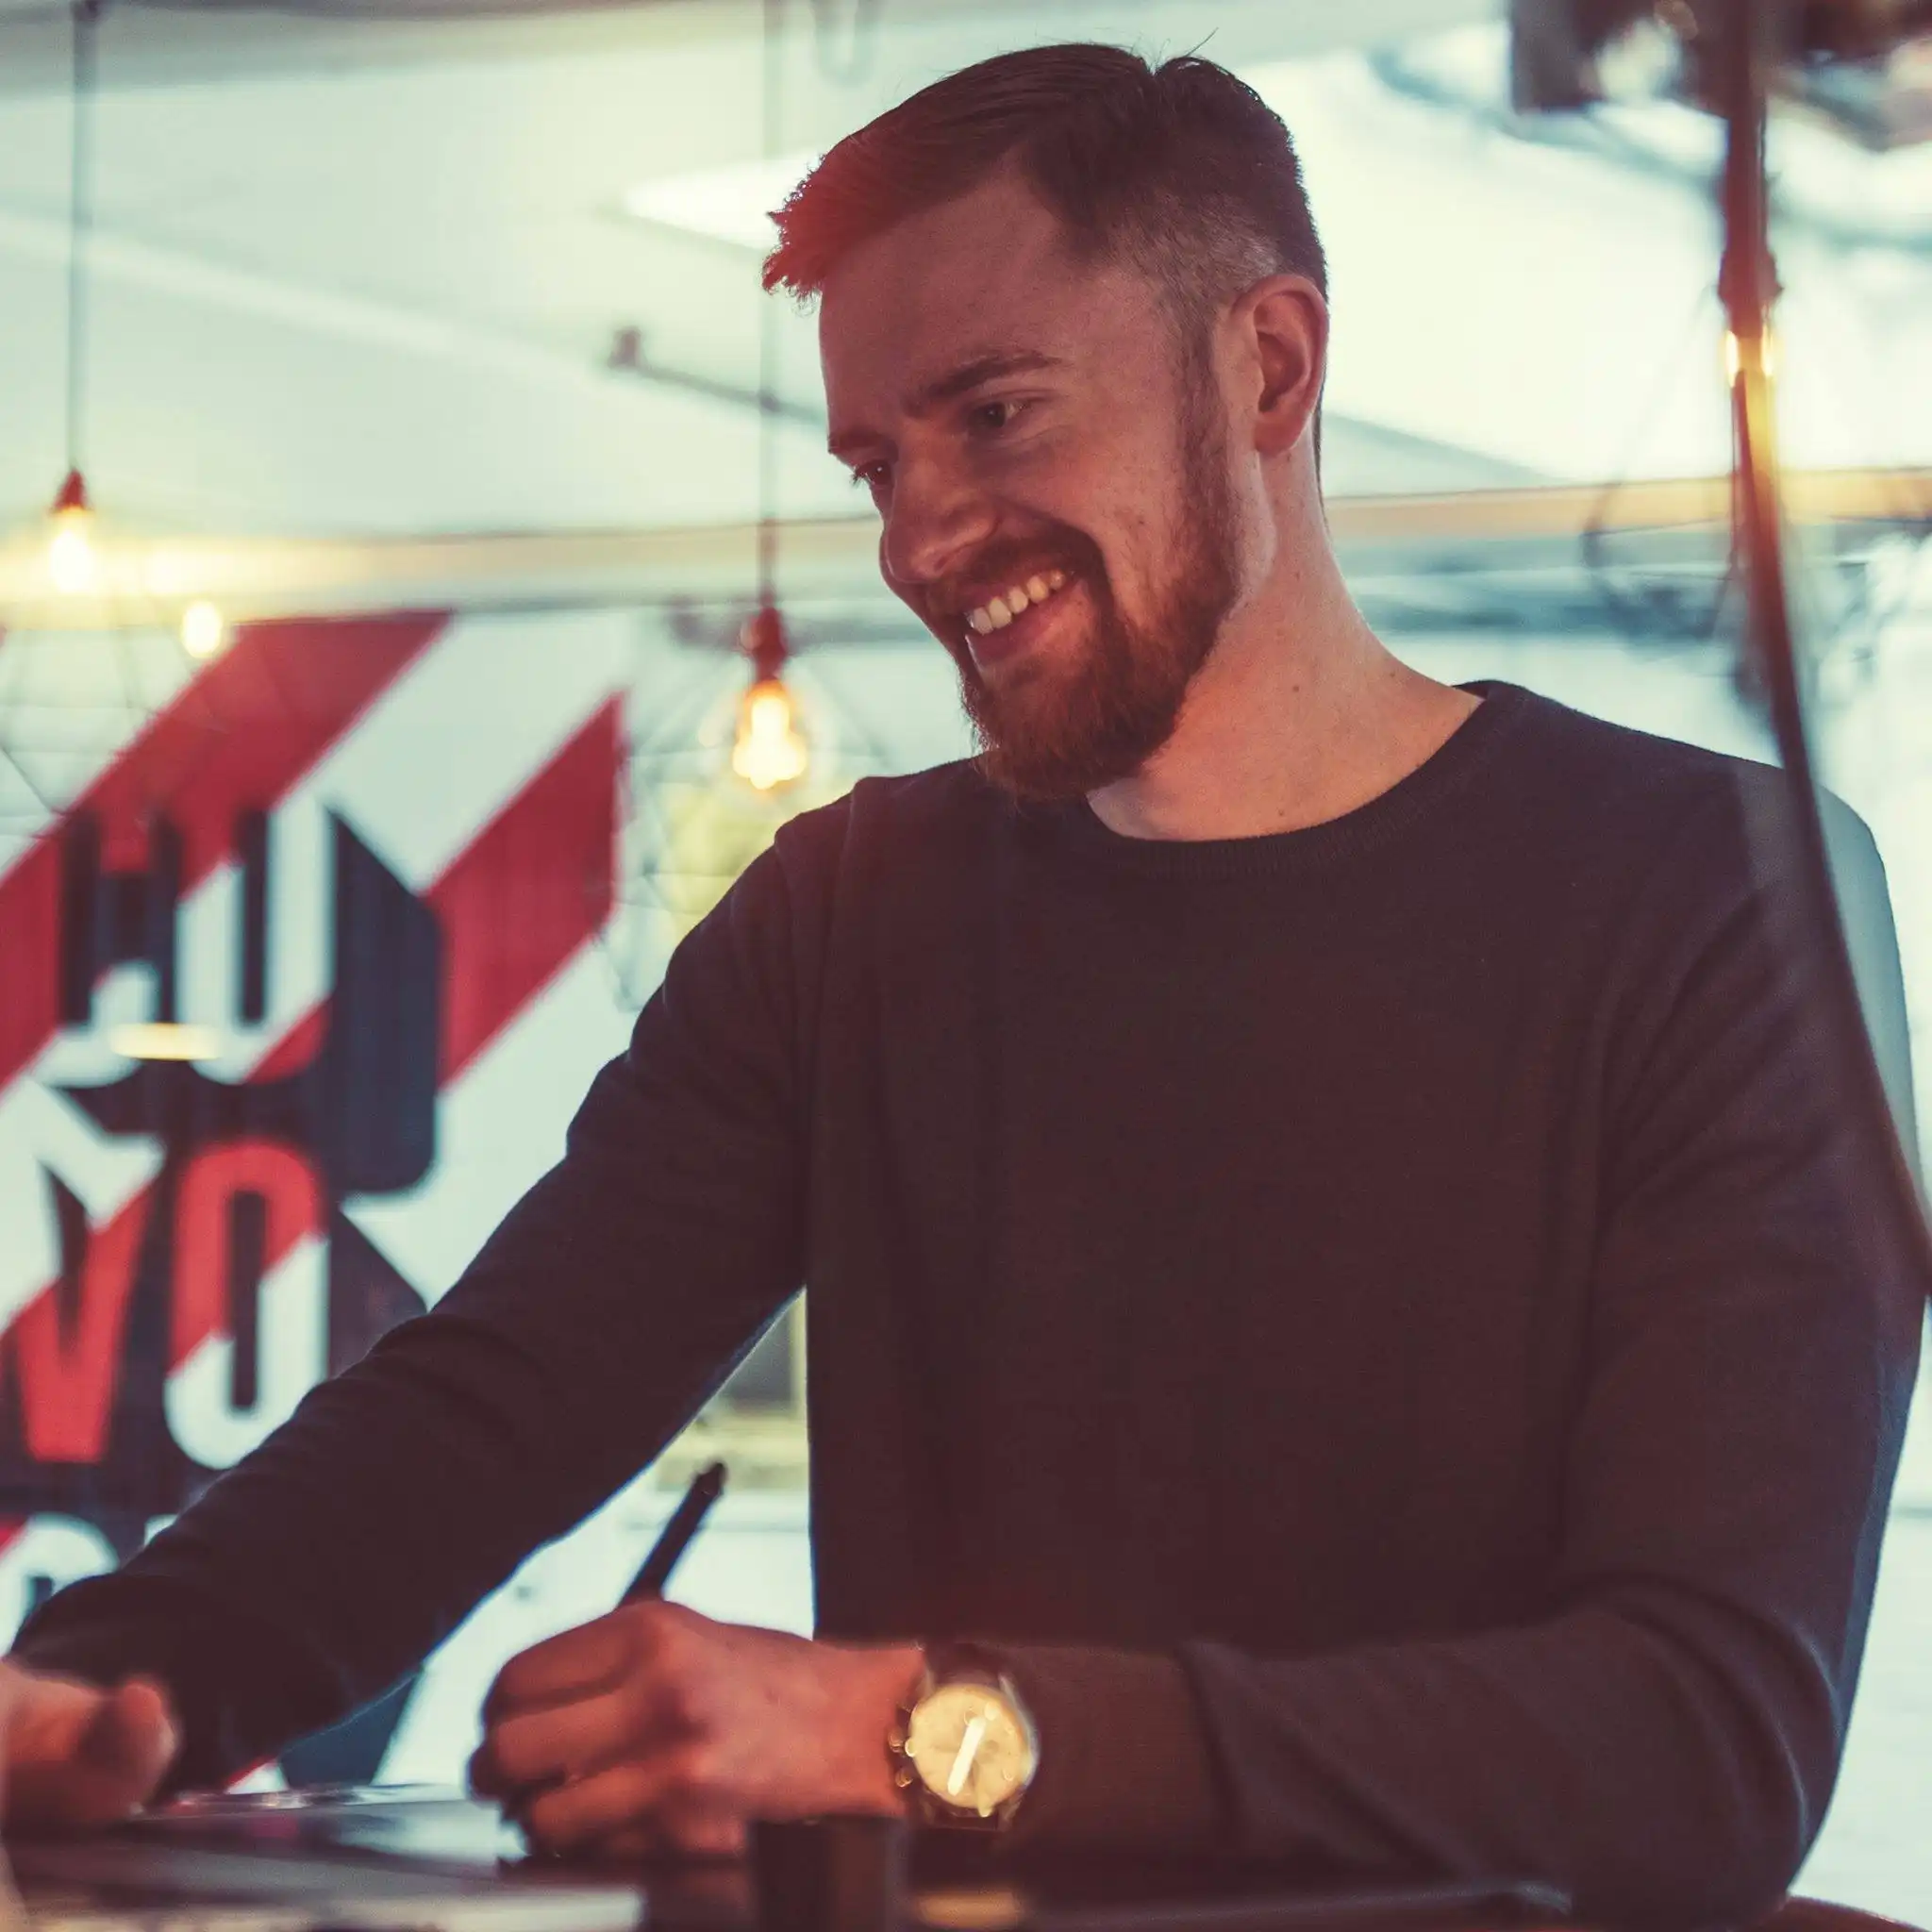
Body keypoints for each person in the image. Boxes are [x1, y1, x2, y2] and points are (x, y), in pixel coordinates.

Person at [1, 44, 1919, 1928]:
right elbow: (489, 1404)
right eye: (874, 459)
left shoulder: (1719, 901)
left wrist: (926, 1728)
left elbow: (1703, 1741)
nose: (918, 538)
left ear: (1267, 364)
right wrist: (124, 1677)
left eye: (996, 415)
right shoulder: (851, 914)